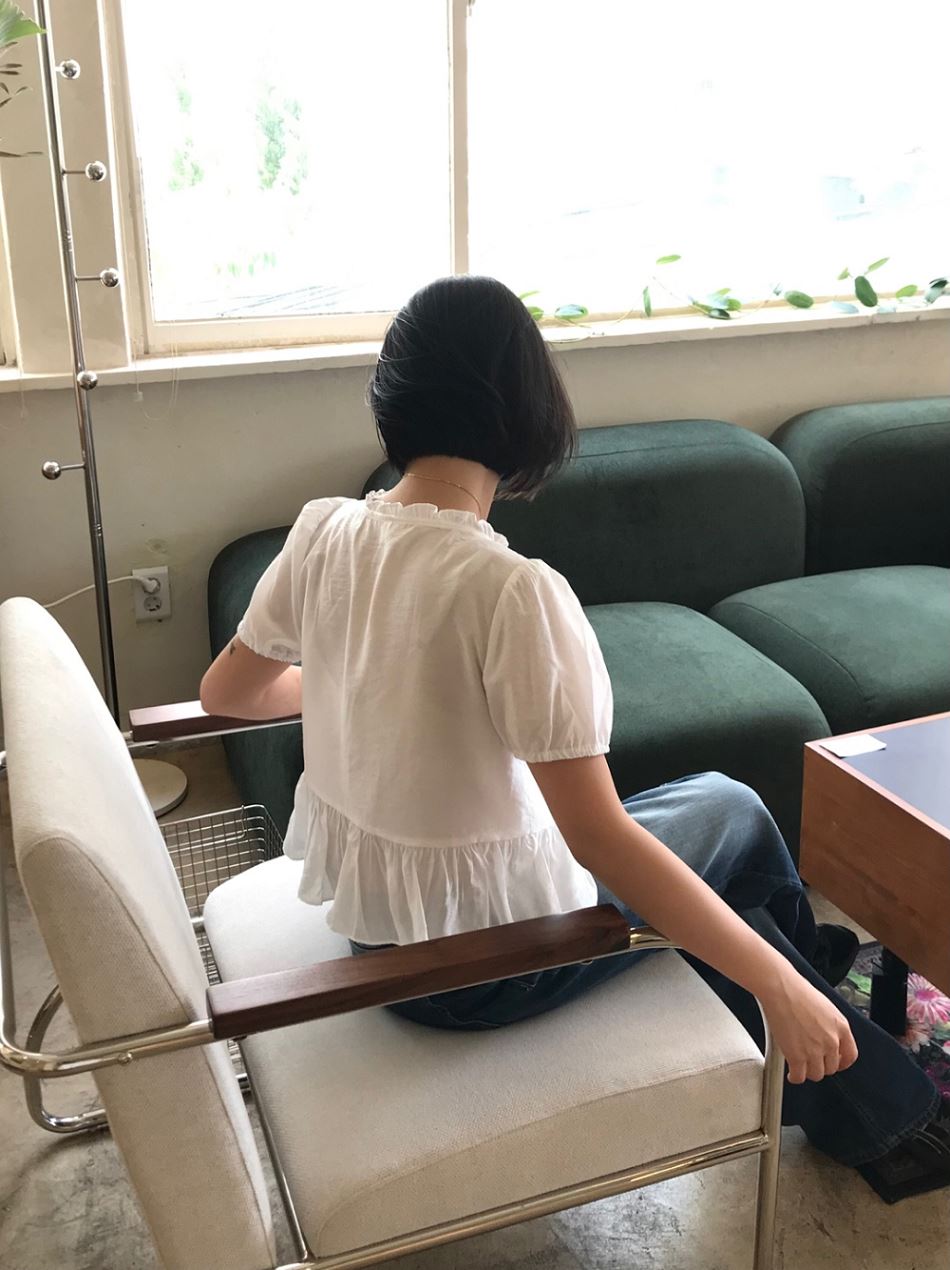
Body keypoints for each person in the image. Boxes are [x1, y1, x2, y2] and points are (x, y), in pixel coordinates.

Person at [201, 275, 949, 1194]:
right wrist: (772, 984)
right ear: (527, 409)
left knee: (728, 804)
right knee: (729, 850)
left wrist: (359, 681)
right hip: (483, 967)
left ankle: (812, 986)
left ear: (390, 399)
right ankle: (878, 1097)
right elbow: (600, 838)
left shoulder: (325, 531)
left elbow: (229, 692)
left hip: (383, 932)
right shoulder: (509, 589)